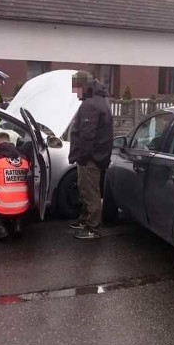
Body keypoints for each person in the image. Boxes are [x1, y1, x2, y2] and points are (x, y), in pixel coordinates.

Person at [68, 72, 114, 240]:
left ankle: (93, 227)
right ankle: (85, 219)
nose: (76, 93)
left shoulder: (90, 104)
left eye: (76, 88)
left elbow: (87, 135)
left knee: (90, 192)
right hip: (98, 155)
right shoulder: (101, 100)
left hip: (91, 158)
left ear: (83, 86)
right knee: (85, 188)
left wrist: (81, 156)